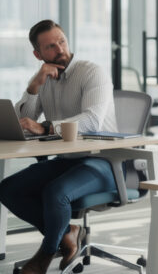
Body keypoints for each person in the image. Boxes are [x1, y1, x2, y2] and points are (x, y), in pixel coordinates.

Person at [0, 20, 118, 274]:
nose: (60, 49)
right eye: (50, 47)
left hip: (104, 161)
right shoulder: (46, 77)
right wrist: (34, 86)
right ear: (38, 54)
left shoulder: (91, 72)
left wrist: (46, 128)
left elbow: (91, 121)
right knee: (8, 189)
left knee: (55, 192)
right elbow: (24, 122)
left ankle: (45, 255)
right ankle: (68, 233)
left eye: (61, 41)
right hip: (67, 160)